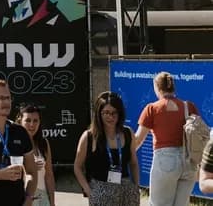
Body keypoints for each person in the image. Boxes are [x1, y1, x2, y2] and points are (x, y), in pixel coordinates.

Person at [134, 71, 199, 206]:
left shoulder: (152, 109)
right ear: (173, 87)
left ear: (157, 88)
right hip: (189, 161)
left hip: (165, 161)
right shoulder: (189, 106)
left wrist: (124, 153)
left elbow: (138, 139)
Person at [73, 91, 139, 205]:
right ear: (99, 113)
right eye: (106, 113)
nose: (110, 117)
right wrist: (89, 191)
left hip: (126, 191)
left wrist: (136, 187)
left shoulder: (128, 133)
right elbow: (77, 167)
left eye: (114, 113)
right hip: (101, 192)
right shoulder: (88, 137)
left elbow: (133, 163)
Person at [17, 105, 55, 206]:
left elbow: (49, 175)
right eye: (28, 120)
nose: (32, 124)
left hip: (42, 197)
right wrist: (28, 167)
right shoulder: (14, 143)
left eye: (35, 121)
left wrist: (52, 202)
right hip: (22, 197)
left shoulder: (44, 143)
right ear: (20, 121)